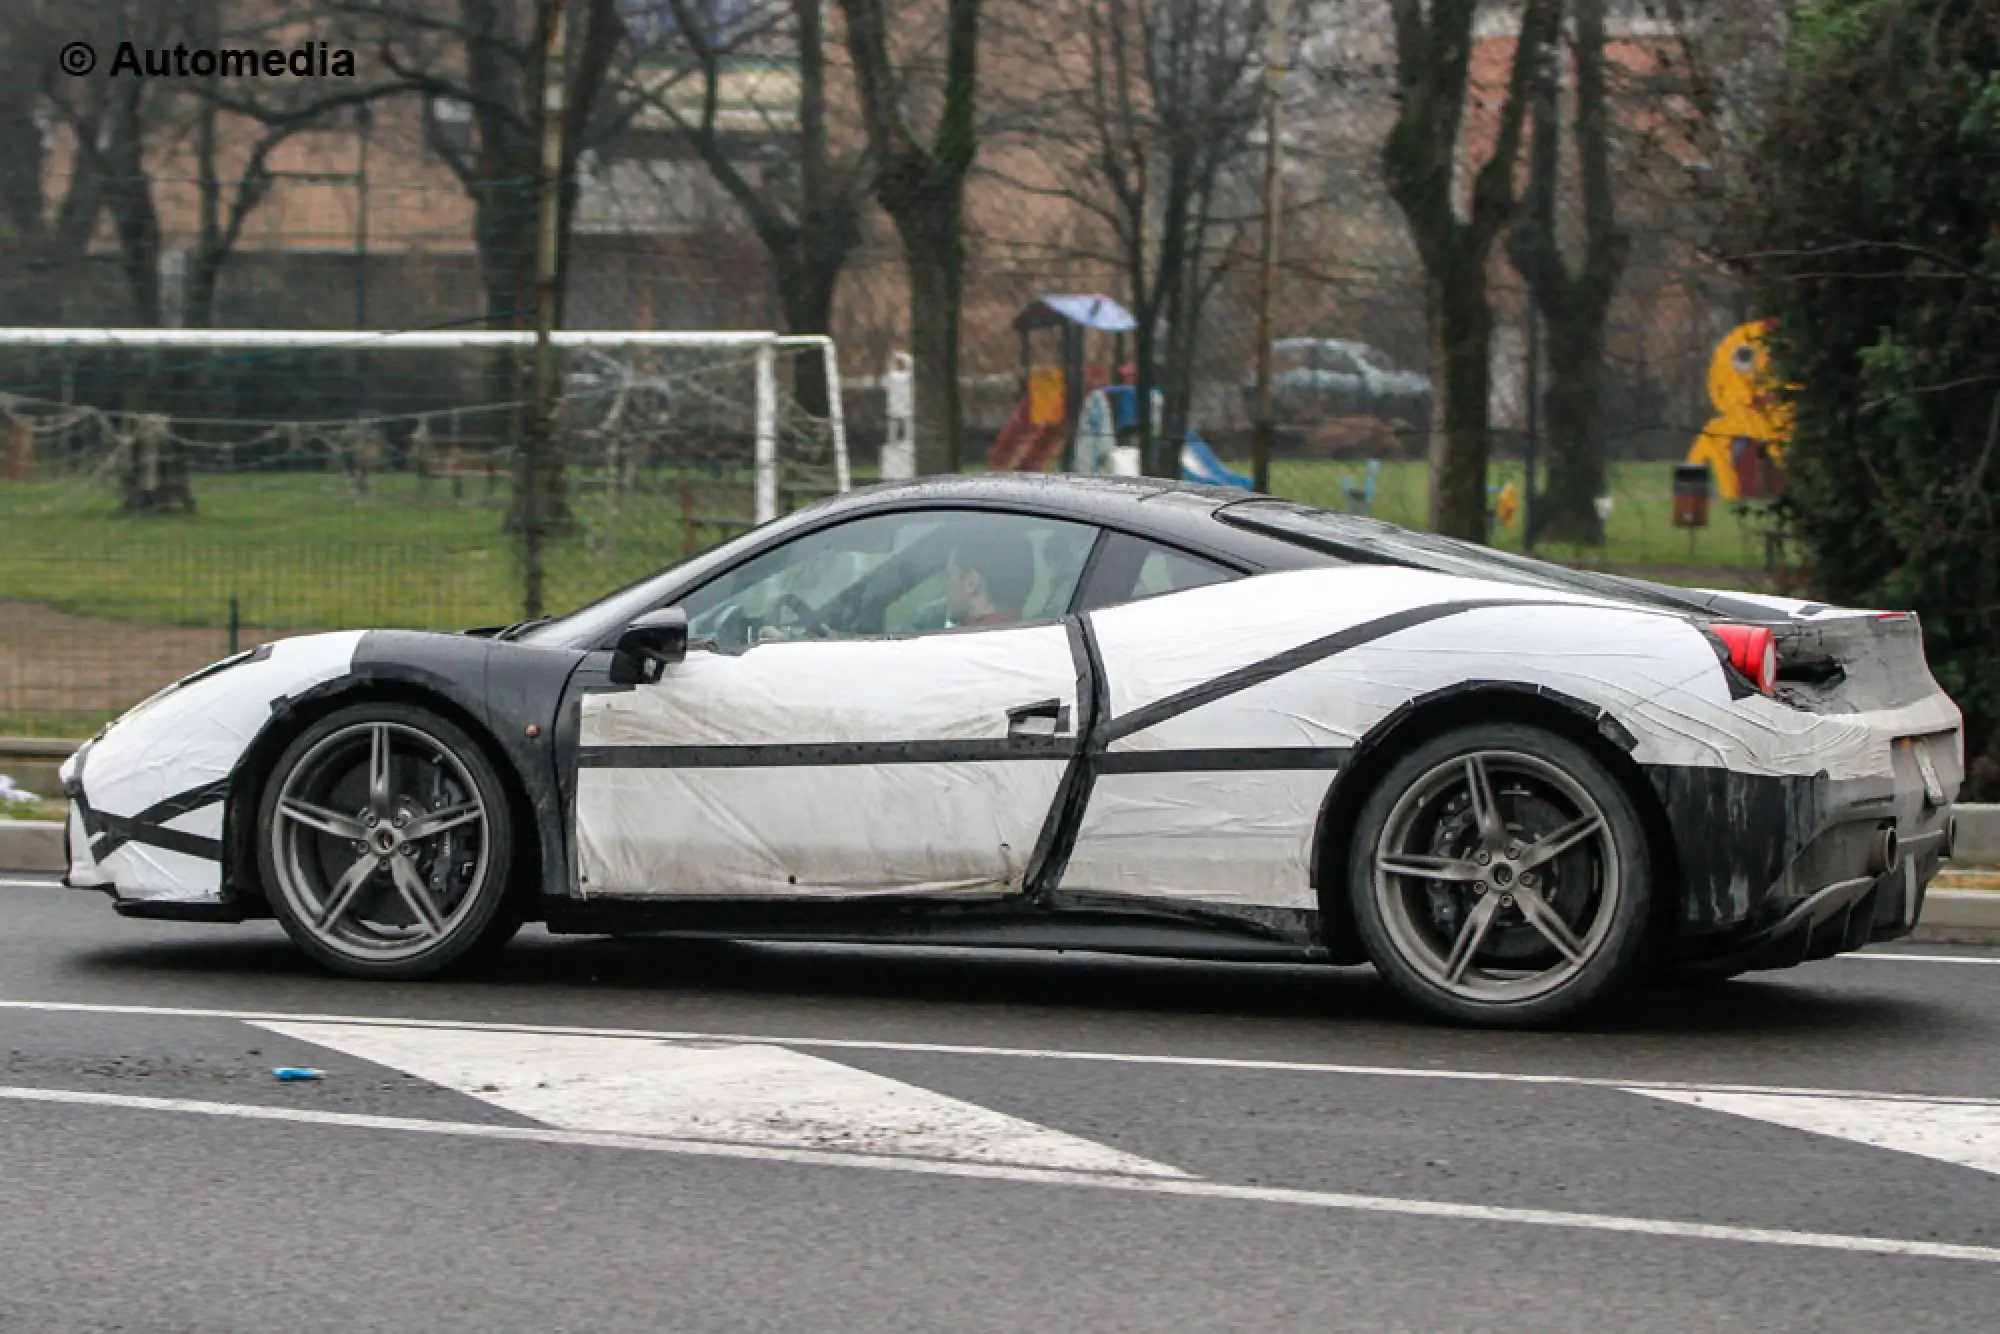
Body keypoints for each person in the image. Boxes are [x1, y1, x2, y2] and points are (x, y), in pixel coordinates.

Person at [945, 536, 1037, 627]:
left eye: (948, 576)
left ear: (971, 582)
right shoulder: (1039, 634)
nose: (946, 585)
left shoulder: (960, 640)